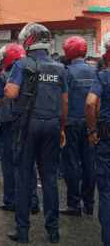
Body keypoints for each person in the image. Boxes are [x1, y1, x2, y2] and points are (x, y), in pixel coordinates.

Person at [4, 23, 68, 244]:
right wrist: (61, 128)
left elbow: (11, 94)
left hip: (27, 128)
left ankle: (22, 231)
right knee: (49, 180)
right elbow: (64, 100)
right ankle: (53, 231)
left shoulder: (22, 64)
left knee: (23, 178)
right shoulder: (59, 67)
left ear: (28, 40)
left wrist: (7, 87)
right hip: (51, 126)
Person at [0, 44, 40, 213]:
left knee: (9, 164)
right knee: (28, 164)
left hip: (8, 123)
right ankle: (33, 201)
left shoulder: (4, 77)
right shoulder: (33, 74)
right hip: (27, 123)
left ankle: (10, 200)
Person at [59, 36, 96, 217]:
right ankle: (89, 203)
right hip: (90, 123)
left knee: (71, 163)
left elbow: (63, 100)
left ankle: (74, 204)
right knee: (89, 163)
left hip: (71, 122)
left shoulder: (67, 73)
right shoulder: (94, 70)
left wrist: (61, 127)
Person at [85, 31, 110, 246]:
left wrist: (92, 130)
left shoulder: (103, 76)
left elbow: (90, 102)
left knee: (106, 191)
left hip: (106, 142)